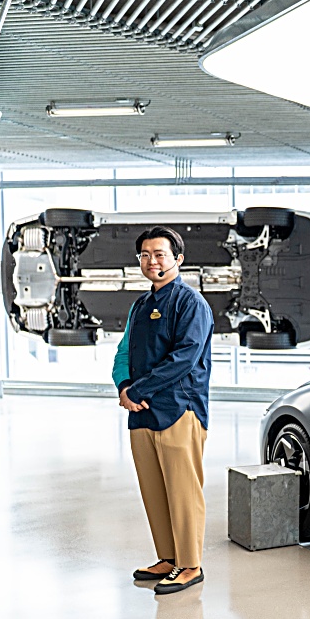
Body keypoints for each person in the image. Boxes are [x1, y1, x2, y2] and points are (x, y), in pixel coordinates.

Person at [112, 226, 213, 595]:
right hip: (141, 412)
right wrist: (124, 387)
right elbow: (123, 352)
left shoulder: (191, 304)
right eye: (145, 255)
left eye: (159, 254)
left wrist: (138, 390)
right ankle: (168, 558)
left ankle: (190, 565)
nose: (151, 261)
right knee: (154, 491)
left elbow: (184, 358)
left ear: (178, 259)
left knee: (183, 491)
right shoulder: (140, 306)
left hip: (179, 410)